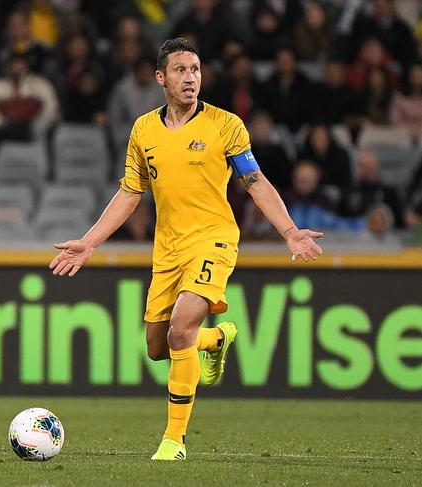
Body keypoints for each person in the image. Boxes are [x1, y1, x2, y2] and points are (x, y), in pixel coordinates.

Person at [48, 38, 323, 461]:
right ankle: (214, 340)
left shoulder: (225, 124)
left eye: (195, 69)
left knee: (180, 330)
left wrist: (289, 231)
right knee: (159, 347)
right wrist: (89, 242)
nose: (190, 77)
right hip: (168, 250)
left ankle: (173, 440)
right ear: (161, 78)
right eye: (180, 70)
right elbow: (129, 193)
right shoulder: (143, 129)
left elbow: (255, 182)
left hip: (214, 239)